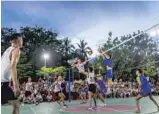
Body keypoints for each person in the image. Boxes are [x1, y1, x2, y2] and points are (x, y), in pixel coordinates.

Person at [1, 33, 23, 114]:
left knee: (16, 103)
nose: (22, 42)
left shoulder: (8, 50)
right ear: (18, 41)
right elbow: (12, 67)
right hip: (2, 83)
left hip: (3, 82)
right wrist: (16, 86)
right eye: (21, 40)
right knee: (16, 104)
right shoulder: (16, 50)